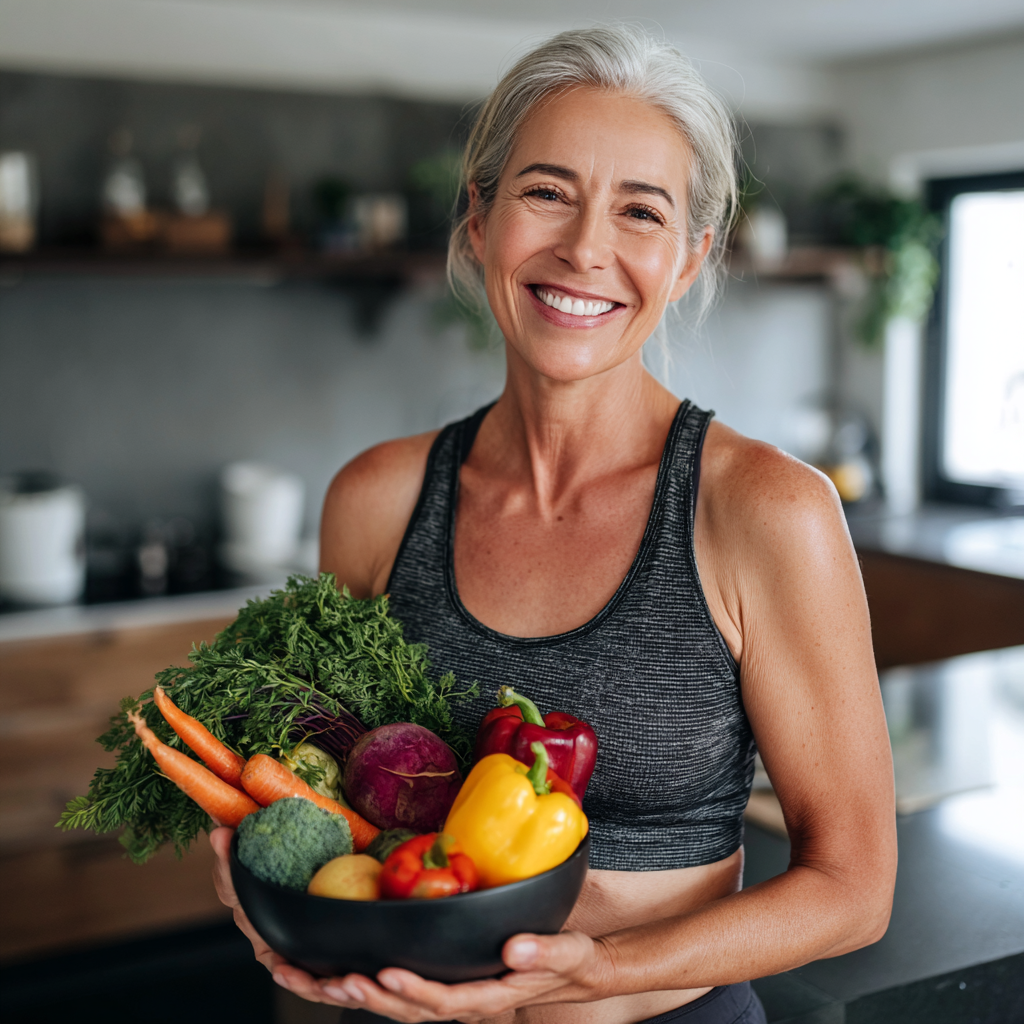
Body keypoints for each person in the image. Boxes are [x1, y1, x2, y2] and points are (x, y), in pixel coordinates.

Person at [211, 25, 896, 1024]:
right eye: (546, 192)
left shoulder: (762, 510)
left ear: (690, 255)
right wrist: (255, 871)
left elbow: (855, 889)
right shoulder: (377, 498)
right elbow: (319, 797)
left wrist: (598, 971)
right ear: (479, 219)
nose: (585, 248)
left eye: (640, 211)